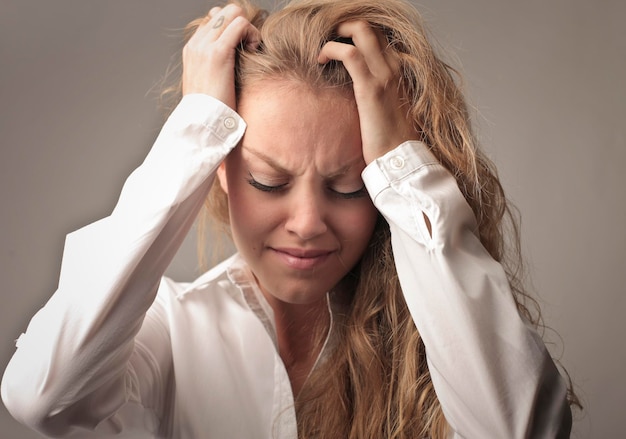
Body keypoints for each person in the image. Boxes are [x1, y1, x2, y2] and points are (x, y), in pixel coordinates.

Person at [1, 0, 579, 437]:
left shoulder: (438, 338)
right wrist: (197, 127)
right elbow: (42, 397)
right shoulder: (170, 334)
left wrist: (403, 170)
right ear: (218, 170)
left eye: (351, 185)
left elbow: (523, 429)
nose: (307, 222)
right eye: (269, 182)